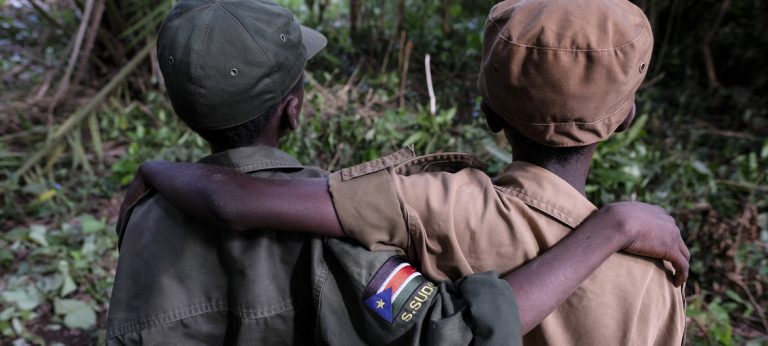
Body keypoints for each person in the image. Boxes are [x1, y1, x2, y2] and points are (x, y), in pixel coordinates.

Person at [107, 0, 689, 345]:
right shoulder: (652, 280)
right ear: (295, 105)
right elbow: (444, 330)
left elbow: (230, 204)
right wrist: (613, 227)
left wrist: (155, 170)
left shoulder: (140, 217)